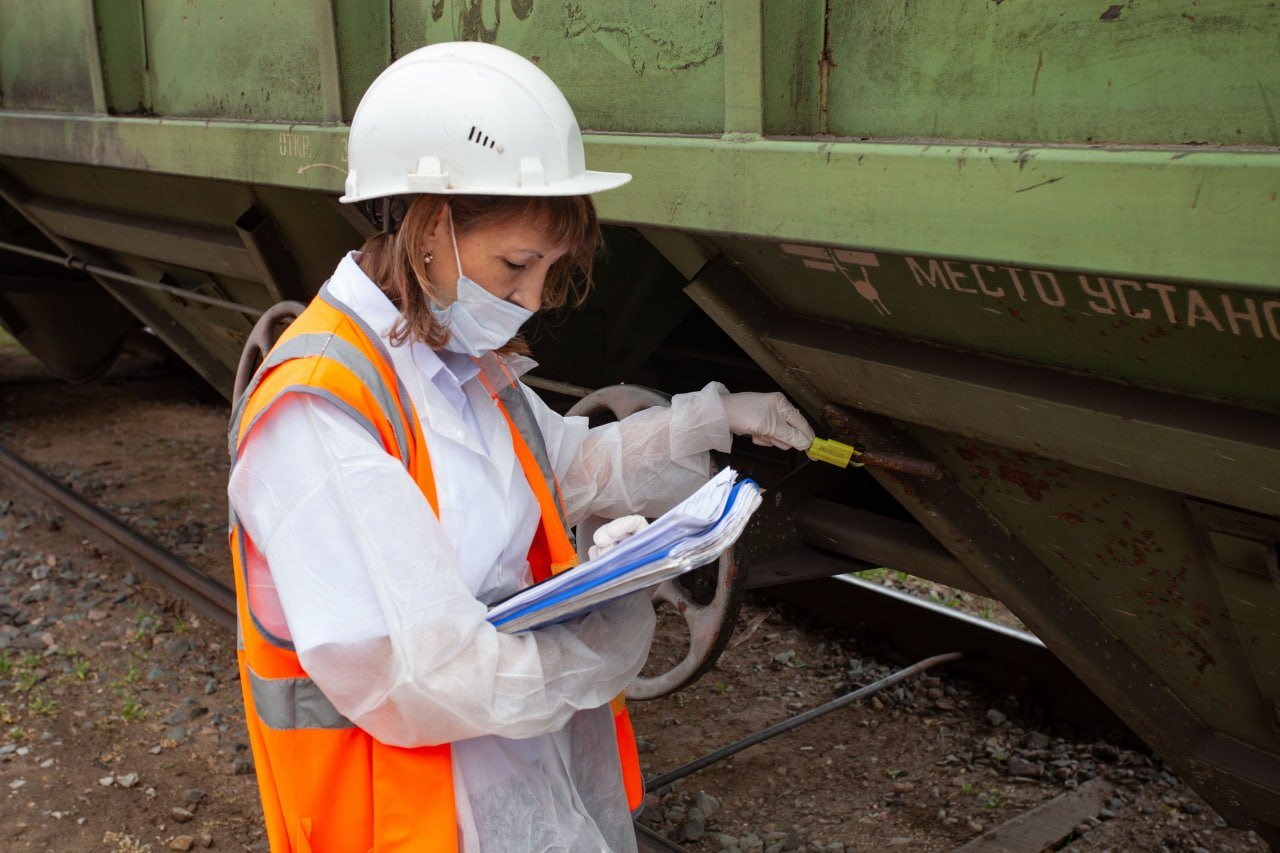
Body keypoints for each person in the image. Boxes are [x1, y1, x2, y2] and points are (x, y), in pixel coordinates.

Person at [227, 41, 814, 852]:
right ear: (432, 225)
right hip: (411, 820)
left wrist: (709, 419)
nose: (533, 299)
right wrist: (599, 641)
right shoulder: (320, 409)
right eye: (518, 263)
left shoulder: (444, 357)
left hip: (514, 791)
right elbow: (422, 676)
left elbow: (563, 466)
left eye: (552, 268)